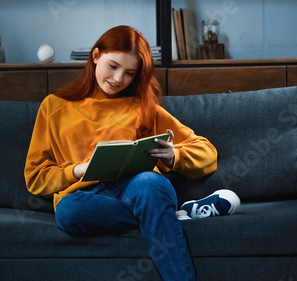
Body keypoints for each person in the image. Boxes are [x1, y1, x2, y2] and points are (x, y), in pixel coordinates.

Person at [24, 25, 235, 281]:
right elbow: (36, 178)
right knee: (68, 213)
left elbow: (207, 153)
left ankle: (160, 214)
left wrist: (173, 156)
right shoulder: (54, 106)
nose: (118, 79)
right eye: (113, 66)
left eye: (129, 73)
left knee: (149, 184)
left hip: (139, 187)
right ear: (95, 56)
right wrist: (77, 169)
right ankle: (169, 215)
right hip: (85, 196)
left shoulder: (142, 107)